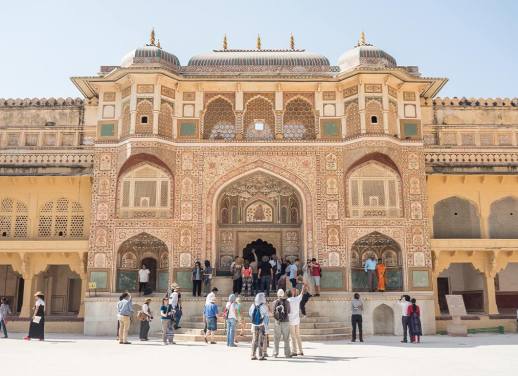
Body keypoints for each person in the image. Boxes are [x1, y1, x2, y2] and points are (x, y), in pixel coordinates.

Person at [287, 284, 306, 356]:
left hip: (291, 321)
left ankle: (294, 351)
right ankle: (301, 351)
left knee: (293, 336)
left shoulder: (287, 301)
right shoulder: (296, 299)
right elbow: (301, 294)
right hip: (297, 321)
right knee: (298, 335)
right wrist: (303, 288)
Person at [272, 289, 291, 358]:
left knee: (276, 338)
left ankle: (275, 353)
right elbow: (288, 311)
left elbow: (273, 313)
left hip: (277, 322)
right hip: (286, 322)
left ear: (277, 294)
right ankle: (287, 354)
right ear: (283, 294)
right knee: (286, 338)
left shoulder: (274, 302)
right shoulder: (287, 302)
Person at [249, 292, 269, 360]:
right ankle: (260, 355)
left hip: (254, 325)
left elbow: (250, 314)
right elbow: (266, 317)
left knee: (254, 340)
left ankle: (253, 355)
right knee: (261, 340)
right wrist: (266, 327)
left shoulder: (253, 305)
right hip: (261, 325)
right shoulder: (263, 306)